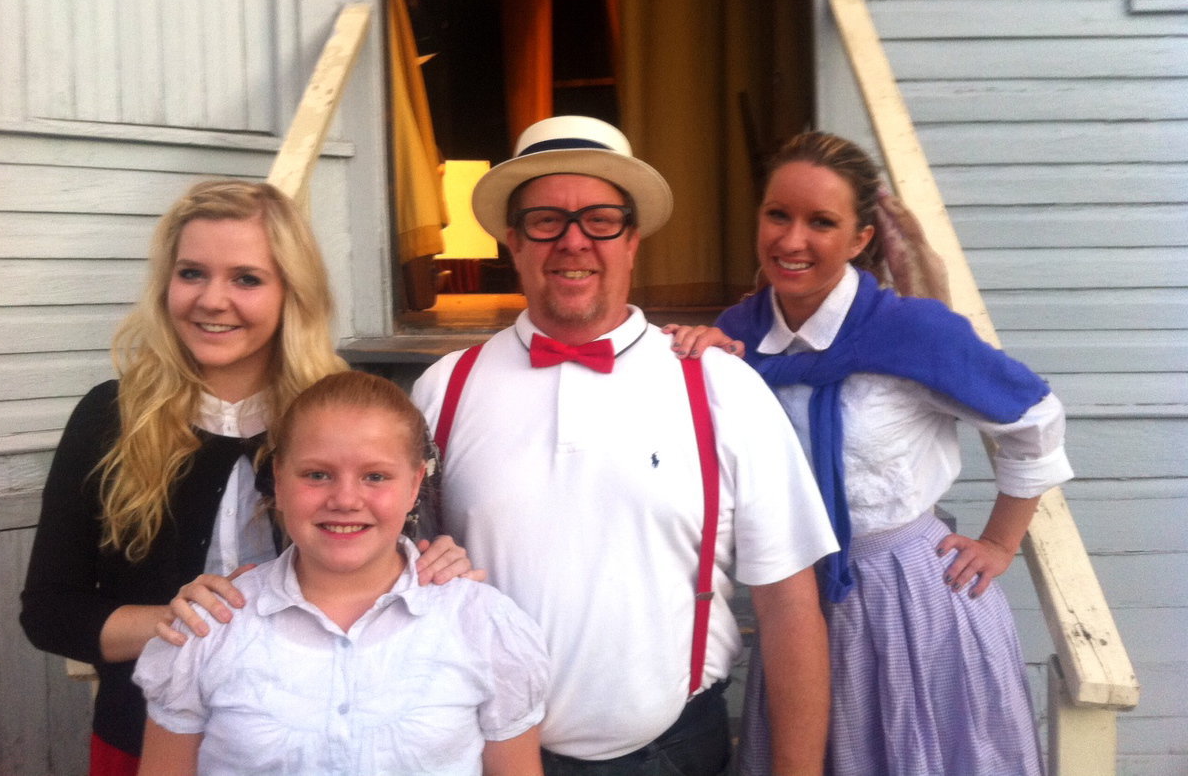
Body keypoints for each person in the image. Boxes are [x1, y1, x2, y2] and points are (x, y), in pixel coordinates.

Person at [410, 116, 839, 775]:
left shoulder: (720, 387)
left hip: (672, 754)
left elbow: (788, 606)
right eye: (546, 220)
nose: (573, 242)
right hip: (482, 753)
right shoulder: (444, 390)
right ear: (513, 241)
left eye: (601, 220)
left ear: (633, 240)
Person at [19, 180, 472, 776]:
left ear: (292, 292)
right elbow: (49, 612)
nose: (212, 299)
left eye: (246, 279)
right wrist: (174, 619)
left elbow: (400, 567)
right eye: (192, 274)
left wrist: (437, 562)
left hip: (316, 748)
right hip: (141, 740)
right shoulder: (110, 419)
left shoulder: (344, 421)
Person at [668, 131, 1074, 775]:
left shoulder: (912, 330)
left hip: (914, 603)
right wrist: (697, 354)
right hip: (797, 601)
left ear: (861, 239)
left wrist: (1000, 542)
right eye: (778, 215)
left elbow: (1035, 419)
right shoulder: (739, 336)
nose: (791, 240)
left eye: (821, 222)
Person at [132, 370, 549, 776]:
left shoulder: (482, 625)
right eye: (317, 475)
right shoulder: (212, 628)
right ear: (279, 481)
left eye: (375, 476)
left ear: (413, 484)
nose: (346, 499)